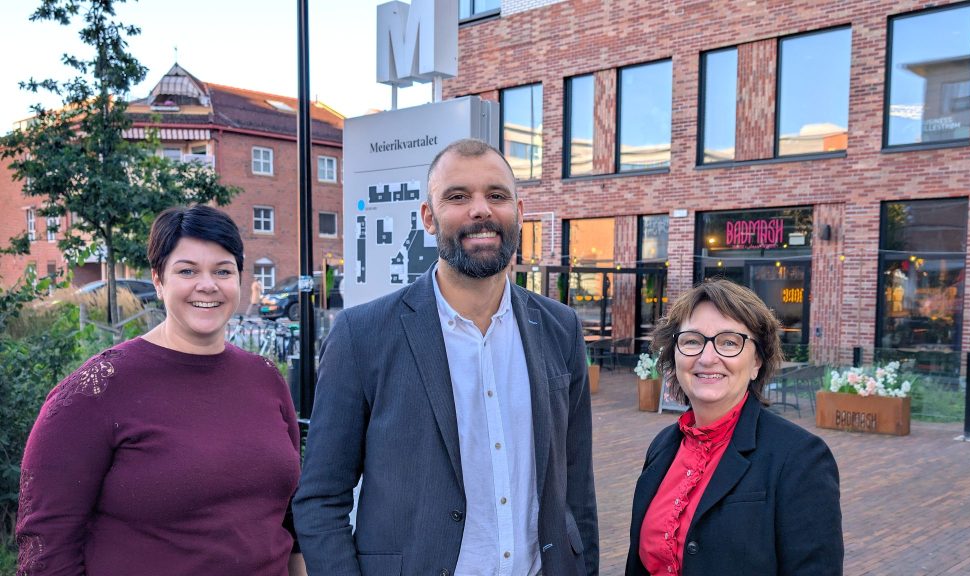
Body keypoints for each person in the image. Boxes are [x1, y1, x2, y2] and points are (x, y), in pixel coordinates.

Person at [293, 138, 599, 575]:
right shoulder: (363, 335)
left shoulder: (560, 327)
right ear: (428, 217)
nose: (481, 210)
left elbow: (576, 487)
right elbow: (321, 498)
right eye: (458, 197)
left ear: (519, 212)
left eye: (497, 195)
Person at [17, 205, 305, 575]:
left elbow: (289, 517)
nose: (208, 284)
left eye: (223, 271)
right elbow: (46, 545)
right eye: (187, 271)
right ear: (158, 279)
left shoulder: (264, 378)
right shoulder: (96, 389)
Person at [625, 279, 843, 576]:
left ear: (756, 362)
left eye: (729, 342)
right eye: (692, 341)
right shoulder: (664, 446)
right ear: (674, 354)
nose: (707, 358)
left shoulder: (800, 458)